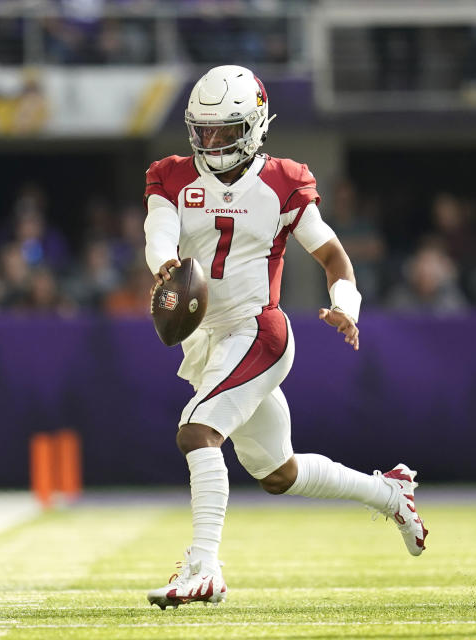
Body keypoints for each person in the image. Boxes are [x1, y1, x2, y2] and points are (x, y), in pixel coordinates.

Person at [142, 65, 428, 609]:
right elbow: (159, 231)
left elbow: (332, 256)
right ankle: (391, 492)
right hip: (207, 343)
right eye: (203, 131)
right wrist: (166, 267)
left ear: (253, 127)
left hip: (259, 333)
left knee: (197, 432)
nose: (211, 142)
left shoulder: (283, 181)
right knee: (279, 472)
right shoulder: (172, 175)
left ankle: (204, 567)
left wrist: (346, 306)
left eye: (225, 132)